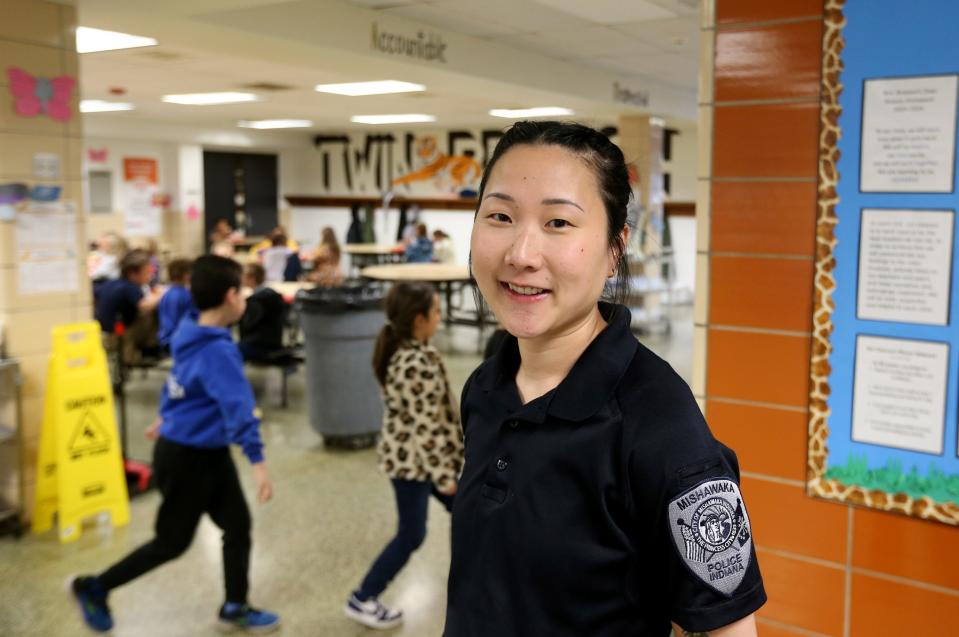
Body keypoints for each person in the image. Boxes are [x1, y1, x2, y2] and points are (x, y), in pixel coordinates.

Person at [444, 121, 765, 637]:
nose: (521, 254)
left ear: (616, 246)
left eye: (558, 223)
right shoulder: (486, 384)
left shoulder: (660, 420)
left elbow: (728, 628)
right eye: (500, 216)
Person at [69, 255, 279, 634]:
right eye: (243, 291)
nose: (246, 297)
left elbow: (179, 384)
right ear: (231, 296)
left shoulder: (189, 330)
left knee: (238, 525)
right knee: (171, 543)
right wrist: (259, 464)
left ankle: (235, 605)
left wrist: (166, 414)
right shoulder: (218, 350)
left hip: (203, 450)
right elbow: (240, 411)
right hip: (187, 458)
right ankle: (94, 586)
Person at [346, 282, 464, 629]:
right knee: (412, 534)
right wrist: (445, 477)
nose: (440, 319)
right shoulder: (414, 362)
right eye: (437, 313)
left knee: (467, 512)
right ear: (418, 319)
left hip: (419, 460)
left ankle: (478, 577)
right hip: (414, 465)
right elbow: (426, 430)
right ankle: (363, 597)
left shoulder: (411, 350)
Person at [94, 249, 163, 363]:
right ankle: (148, 351)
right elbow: (145, 306)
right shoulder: (130, 287)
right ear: (132, 274)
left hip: (104, 332)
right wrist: (163, 296)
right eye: (146, 272)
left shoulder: (111, 283)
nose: (149, 276)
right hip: (118, 335)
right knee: (151, 314)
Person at [238, 263, 286, 362]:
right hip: (274, 342)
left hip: (260, 346)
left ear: (251, 278)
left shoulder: (257, 300)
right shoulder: (271, 294)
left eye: (243, 277)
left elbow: (248, 325)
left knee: (228, 350)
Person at [156, 258, 198, 350]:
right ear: (186, 275)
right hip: (177, 339)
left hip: (166, 337)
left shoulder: (167, 294)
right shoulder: (185, 295)